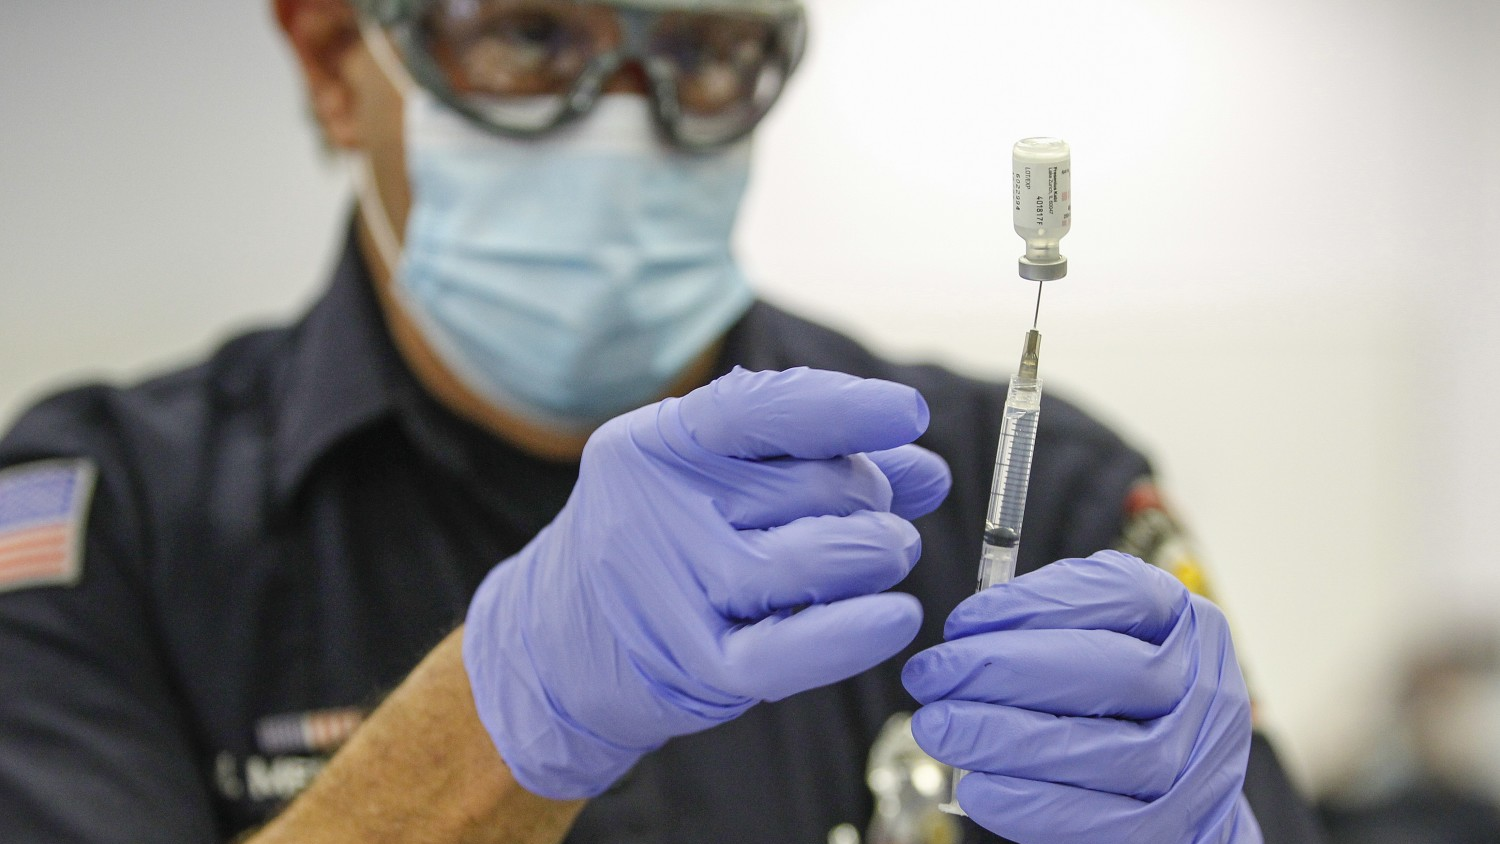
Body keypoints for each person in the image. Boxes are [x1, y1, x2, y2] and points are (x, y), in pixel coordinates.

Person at [0, 0, 1325, 841]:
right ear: (338, 56)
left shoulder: (1027, 487)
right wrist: (495, 713)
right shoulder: (99, 525)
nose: (621, 122)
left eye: (698, 49)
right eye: (529, 36)